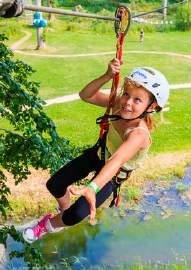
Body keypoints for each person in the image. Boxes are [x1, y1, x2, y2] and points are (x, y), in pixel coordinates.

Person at [22, 58, 170, 243]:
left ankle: (47, 226)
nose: (127, 103)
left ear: (152, 107)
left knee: (75, 216)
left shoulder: (138, 134)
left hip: (112, 174)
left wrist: (92, 187)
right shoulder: (119, 104)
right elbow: (86, 95)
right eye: (126, 94)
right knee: (55, 184)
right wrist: (107, 76)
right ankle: (63, 209)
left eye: (137, 100)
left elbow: (116, 161)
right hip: (98, 153)